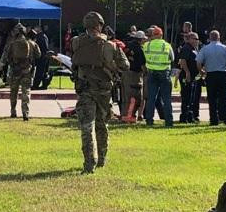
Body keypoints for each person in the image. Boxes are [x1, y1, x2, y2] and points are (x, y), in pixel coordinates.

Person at [71, 12, 129, 173]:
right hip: (103, 90)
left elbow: (75, 61)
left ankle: (89, 163)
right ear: (100, 25)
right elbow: (125, 65)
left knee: (86, 126)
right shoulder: (110, 45)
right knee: (102, 124)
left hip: (85, 89)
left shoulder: (76, 42)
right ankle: (102, 158)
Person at [0, 23, 41, 120]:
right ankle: (25, 113)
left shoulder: (11, 43)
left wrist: (1, 66)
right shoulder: (31, 43)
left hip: (15, 70)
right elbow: (38, 55)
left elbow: (4, 56)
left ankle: (13, 111)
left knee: (13, 92)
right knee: (26, 91)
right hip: (27, 70)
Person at [195, 30, 226, 125]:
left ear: (209, 37)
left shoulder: (205, 49)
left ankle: (214, 119)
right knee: (224, 97)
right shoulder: (224, 48)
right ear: (219, 37)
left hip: (211, 75)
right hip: (222, 75)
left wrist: (201, 71)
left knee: (212, 98)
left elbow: (198, 62)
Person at [142, 25, 174, 127]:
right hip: (164, 73)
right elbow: (172, 58)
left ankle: (149, 120)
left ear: (153, 35)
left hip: (151, 73)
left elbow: (144, 57)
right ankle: (168, 121)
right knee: (166, 98)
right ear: (161, 35)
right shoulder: (167, 45)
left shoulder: (147, 45)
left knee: (151, 98)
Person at [120, 30, 146, 122]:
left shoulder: (127, 46)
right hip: (135, 75)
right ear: (141, 39)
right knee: (134, 96)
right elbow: (142, 65)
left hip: (125, 73)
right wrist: (145, 73)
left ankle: (124, 115)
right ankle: (130, 117)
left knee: (125, 96)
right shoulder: (139, 49)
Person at [177, 32, 201, 123]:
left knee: (191, 97)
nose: (197, 41)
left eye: (197, 39)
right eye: (195, 39)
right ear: (190, 39)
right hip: (187, 76)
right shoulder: (186, 48)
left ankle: (190, 117)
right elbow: (183, 61)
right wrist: (187, 73)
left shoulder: (194, 48)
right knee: (186, 97)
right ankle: (184, 117)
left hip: (194, 76)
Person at [32, 25, 51, 90]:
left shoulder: (42, 36)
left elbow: (45, 47)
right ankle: (43, 85)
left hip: (42, 56)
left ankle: (36, 85)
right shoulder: (41, 36)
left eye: (35, 27)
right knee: (42, 72)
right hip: (42, 56)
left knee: (40, 72)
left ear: (39, 28)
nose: (34, 29)